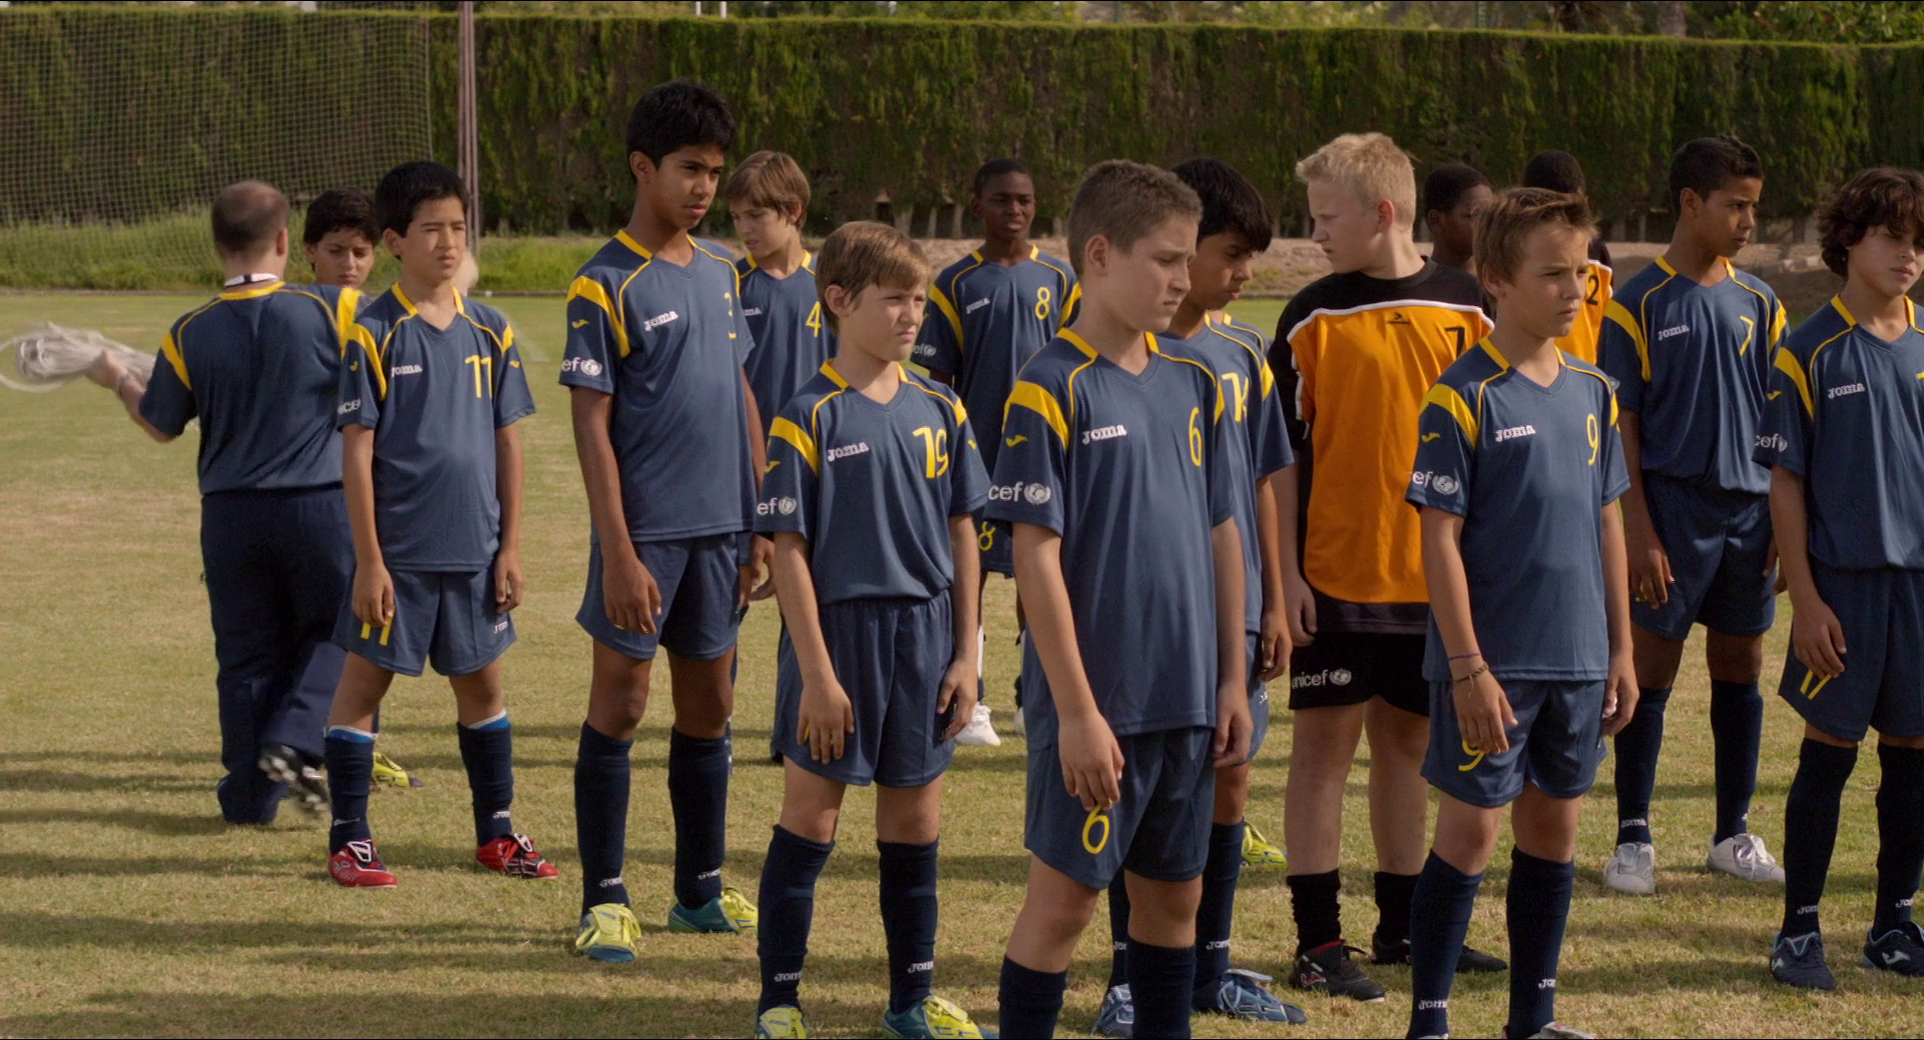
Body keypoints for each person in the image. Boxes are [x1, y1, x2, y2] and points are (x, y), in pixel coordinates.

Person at [990, 159, 1248, 1040]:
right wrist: (1075, 714)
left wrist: (1230, 680)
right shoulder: (1051, 384)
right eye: (1165, 260)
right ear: (1099, 255)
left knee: (1174, 906)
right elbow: (1036, 559)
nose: (1183, 278)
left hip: (1186, 700)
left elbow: (1223, 532)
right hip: (1099, 707)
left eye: (1188, 259)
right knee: (1064, 907)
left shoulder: (1195, 381)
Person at [1268, 132, 1503, 1002]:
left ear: (1384, 212)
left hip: (1435, 585)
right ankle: (1317, 942)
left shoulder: (1471, 308)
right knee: (1322, 754)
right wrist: (1286, 577)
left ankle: (1403, 929)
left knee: (1406, 747)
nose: (1315, 233)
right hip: (1334, 578)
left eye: (1327, 217)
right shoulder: (1310, 315)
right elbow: (1279, 461)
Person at [1402, 185, 1636, 1040]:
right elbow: (1438, 540)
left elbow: (1607, 520)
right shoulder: (1462, 396)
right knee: (1469, 835)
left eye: (1582, 273)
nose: (1574, 291)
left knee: (1555, 830)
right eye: (1553, 275)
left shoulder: (1594, 390)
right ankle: (1429, 1023)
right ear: (1496, 280)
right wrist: (1467, 666)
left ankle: (1531, 1021)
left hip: (1577, 657)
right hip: (1491, 666)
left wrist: (1619, 650)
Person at [751, 221, 992, 1040]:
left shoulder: (941, 407)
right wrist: (818, 677)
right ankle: (779, 1002)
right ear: (840, 301)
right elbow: (789, 552)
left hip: (924, 637)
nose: (912, 314)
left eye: (918, 299)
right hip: (838, 638)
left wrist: (966, 654)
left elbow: (963, 530)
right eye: (894, 299)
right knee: (811, 819)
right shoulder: (807, 414)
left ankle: (909, 1003)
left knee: (914, 827)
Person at [1094, 157, 1303, 1037]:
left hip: (1232, 613)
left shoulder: (1240, 354)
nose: (1243, 273)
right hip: (1143, 626)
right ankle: (1126, 981)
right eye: (1230, 254)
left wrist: (1277, 596)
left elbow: (1262, 480)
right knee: (1133, 800)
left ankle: (1209, 969)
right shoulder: (1110, 353)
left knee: (1228, 780)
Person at [564, 80, 769, 960]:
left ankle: (699, 890)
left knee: (710, 705)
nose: (703, 188)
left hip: (723, 531)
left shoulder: (724, 272)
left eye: (714, 173)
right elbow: (591, 423)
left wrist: (762, 518)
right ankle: (605, 898)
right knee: (623, 702)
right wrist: (617, 550)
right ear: (642, 168)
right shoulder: (604, 282)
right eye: (689, 169)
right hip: (645, 536)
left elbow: (742, 395)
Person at [87, 181, 354, 824]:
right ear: (285, 240)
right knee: (340, 630)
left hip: (231, 515)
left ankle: (248, 797)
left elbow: (161, 424)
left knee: (245, 656)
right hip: (317, 505)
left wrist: (116, 377)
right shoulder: (331, 309)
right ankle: (295, 737)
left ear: (215, 246)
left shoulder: (189, 330)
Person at [321, 160, 548, 889]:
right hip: (400, 557)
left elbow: (508, 442)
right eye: (431, 230)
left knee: (483, 691)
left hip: (476, 552)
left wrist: (510, 548)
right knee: (363, 689)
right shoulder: (375, 332)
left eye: (458, 228)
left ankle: (497, 834)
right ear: (394, 241)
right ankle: (349, 839)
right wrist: (370, 561)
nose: (449, 243)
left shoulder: (492, 330)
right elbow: (358, 454)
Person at [1596, 135, 1788, 895]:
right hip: (1671, 512)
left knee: (1741, 667)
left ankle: (1732, 832)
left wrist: (1782, 522)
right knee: (1651, 671)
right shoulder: (1638, 303)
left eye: (1754, 207)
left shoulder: (1761, 303)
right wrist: (1639, 531)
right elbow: (1623, 426)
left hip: (1750, 514)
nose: (1749, 221)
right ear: (1690, 202)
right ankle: (1633, 836)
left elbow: (1781, 424)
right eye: (1736, 205)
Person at [1754, 166, 1924, 990]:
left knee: (1914, 755)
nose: (1909, 255)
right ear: (1850, 239)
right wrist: (1808, 596)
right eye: (1894, 237)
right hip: (1845, 588)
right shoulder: (1808, 348)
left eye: (1920, 242)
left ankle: (1892, 923)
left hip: (1918, 588)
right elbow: (1785, 482)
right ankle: (1798, 932)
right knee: (1829, 754)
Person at [913, 157, 1078, 747]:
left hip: (1044, 456)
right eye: (1003, 199)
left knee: (1042, 575)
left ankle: (1034, 701)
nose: (1015, 210)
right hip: (977, 459)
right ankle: (970, 702)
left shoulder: (1061, 279)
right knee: (970, 577)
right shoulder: (955, 283)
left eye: (1025, 200)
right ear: (977, 205)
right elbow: (938, 383)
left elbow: (1080, 366)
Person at [300, 187, 418, 791]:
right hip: (314, 497)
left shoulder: (379, 320)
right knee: (332, 633)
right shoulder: (302, 317)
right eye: (336, 251)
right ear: (308, 252)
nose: (350, 264)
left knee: (369, 626)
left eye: (361, 252)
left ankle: (357, 749)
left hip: (369, 499)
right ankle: (313, 755)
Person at [726, 149, 836, 766]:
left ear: (793, 212)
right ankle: (714, 724)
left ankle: (794, 733)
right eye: (737, 217)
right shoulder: (729, 286)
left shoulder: (832, 287)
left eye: (756, 215)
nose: (744, 229)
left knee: (806, 606)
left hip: (817, 472)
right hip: (743, 473)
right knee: (732, 600)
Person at [1521, 150, 1613, 364]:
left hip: (1585, 373)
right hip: (1530, 372)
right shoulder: (1515, 253)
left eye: (1573, 209)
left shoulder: (1596, 253)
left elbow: (1604, 322)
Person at [1420, 163, 1492, 275]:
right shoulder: (1415, 283)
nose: (1489, 223)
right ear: (1436, 221)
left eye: (1490, 214)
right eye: (1476, 214)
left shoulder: (1501, 282)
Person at [303, 188, 379, 291]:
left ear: (372, 257)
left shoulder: (384, 301)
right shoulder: (291, 301)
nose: (349, 264)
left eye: (359, 254)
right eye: (336, 251)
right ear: (311, 251)